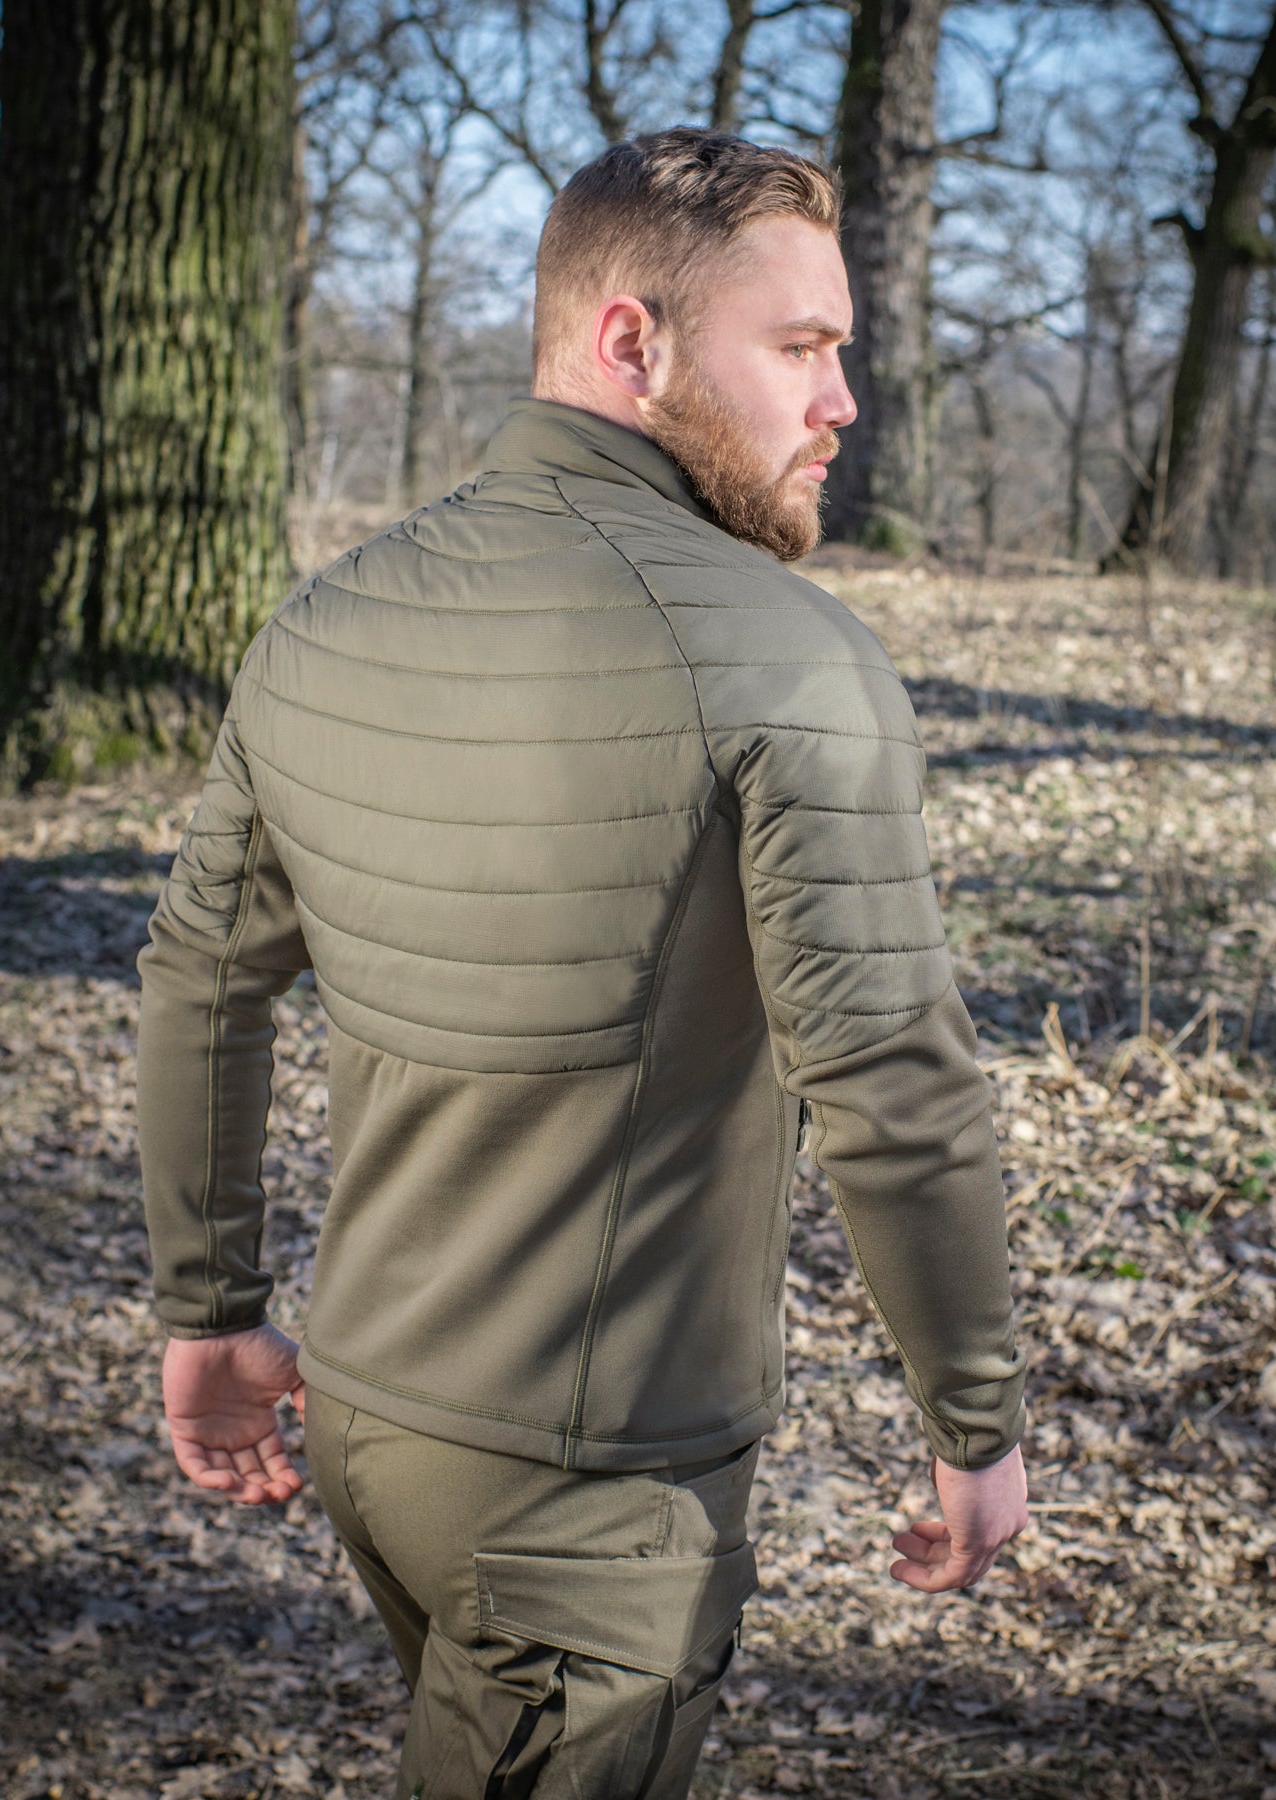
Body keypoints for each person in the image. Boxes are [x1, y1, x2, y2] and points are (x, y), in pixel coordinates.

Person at [137, 127, 1028, 1800]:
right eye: (802, 348)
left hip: (370, 1429)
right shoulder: (790, 660)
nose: (842, 402)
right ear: (634, 343)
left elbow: (200, 980)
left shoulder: (323, 621)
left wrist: (209, 1316)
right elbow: (892, 1085)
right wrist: (976, 1422)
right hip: (591, 1499)